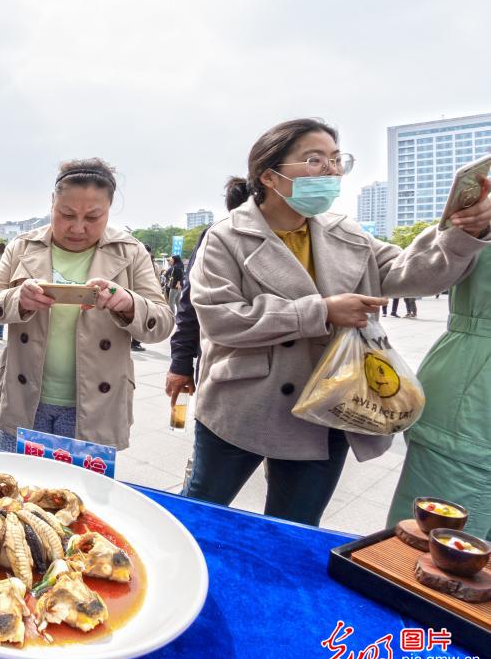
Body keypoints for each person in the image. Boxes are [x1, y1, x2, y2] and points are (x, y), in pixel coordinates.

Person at [187, 117, 491, 526]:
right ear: (269, 175)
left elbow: (409, 273)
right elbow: (222, 319)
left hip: (328, 408)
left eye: (336, 160)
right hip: (241, 407)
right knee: (200, 512)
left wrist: (457, 232)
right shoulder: (226, 236)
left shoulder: (344, 231)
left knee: (295, 530)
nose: (330, 171)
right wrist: (321, 311)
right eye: (314, 160)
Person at [0, 158, 173, 451]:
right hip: (26, 398)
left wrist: (129, 303)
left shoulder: (131, 252)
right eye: (66, 214)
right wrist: (18, 299)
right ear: (52, 204)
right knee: (15, 490)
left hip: (95, 406)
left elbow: (163, 322)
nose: (78, 228)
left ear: (109, 210)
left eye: (93, 217)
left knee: (80, 494)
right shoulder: (22, 246)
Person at [385, 246, 491, 538]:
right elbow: (408, 272)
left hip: (469, 398)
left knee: (438, 545)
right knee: (431, 545)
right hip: (470, 401)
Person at [164, 190, 250, 406]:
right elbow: (190, 303)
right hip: (225, 372)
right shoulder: (217, 236)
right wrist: (181, 364)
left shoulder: (317, 234)